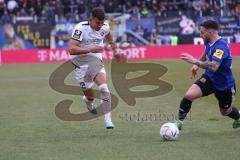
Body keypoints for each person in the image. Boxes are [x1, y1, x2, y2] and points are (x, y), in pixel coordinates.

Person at [175, 20, 240, 130]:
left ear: (210, 32)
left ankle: (238, 117)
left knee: (225, 112)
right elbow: (206, 51)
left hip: (225, 85)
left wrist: (196, 62)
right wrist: (197, 65)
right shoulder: (208, 41)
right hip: (209, 78)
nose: (200, 34)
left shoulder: (221, 46)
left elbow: (214, 67)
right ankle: (179, 123)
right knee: (189, 95)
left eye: (202, 32)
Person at [68, 7, 124, 129]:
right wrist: (91, 49)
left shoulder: (104, 26)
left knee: (104, 88)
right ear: (91, 19)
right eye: (97, 23)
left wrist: (115, 51)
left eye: (101, 23)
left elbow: (109, 35)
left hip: (95, 59)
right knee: (90, 95)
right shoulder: (80, 28)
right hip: (79, 62)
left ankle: (108, 120)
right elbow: (72, 49)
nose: (100, 26)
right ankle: (88, 101)